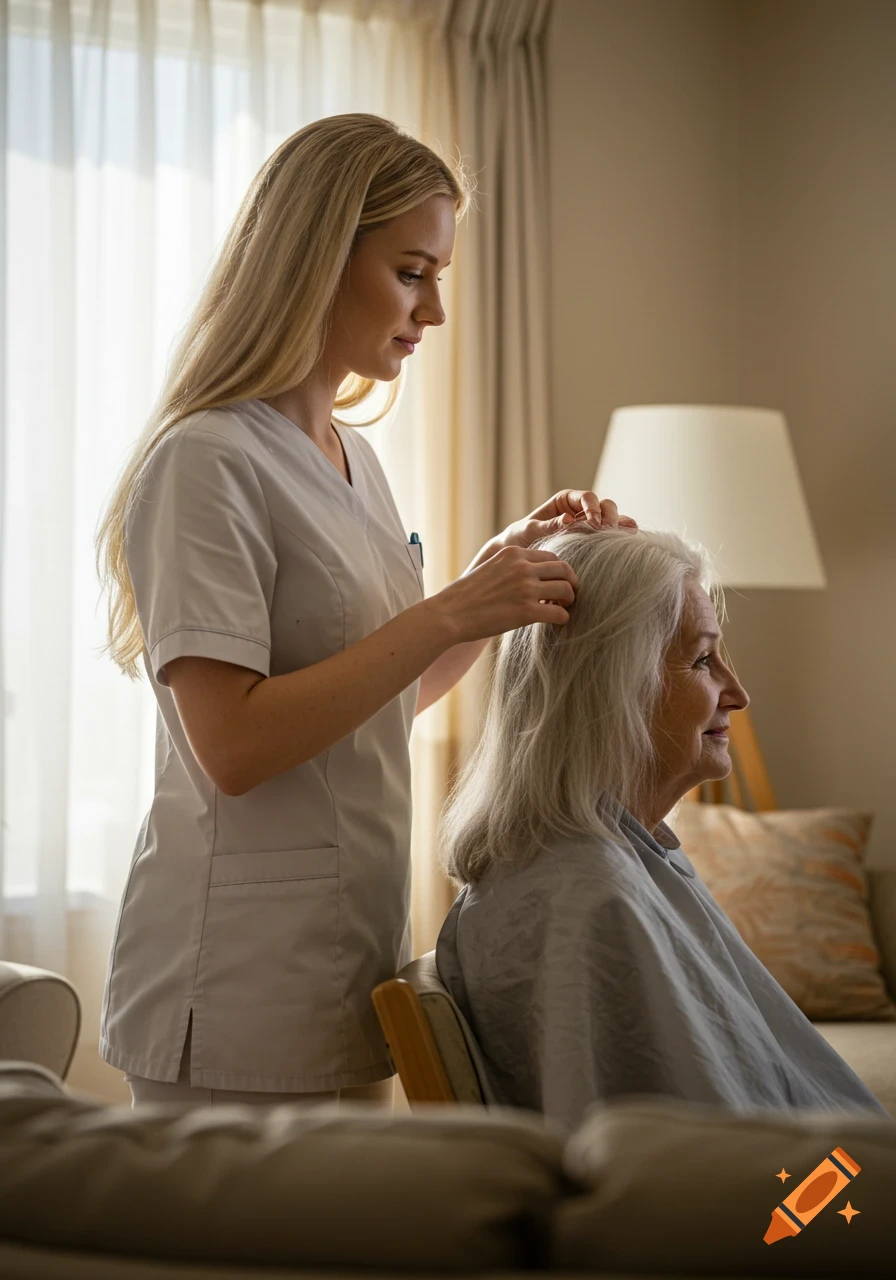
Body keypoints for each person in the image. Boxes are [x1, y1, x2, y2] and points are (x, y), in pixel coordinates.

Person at [95, 113, 630, 1109]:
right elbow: (236, 745)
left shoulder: (352, 460)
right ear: (314, 258)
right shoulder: (206, 460)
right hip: (235, 982)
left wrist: (486, 591)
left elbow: (374, 702)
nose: (430, 311)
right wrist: (444, 611)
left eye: (437, 278)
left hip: (343, 967)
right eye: (410, 271)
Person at [436, 525, 889, 1131]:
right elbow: (699, 1187)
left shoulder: (607, 866)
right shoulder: (589, 899)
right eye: (703, 660)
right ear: (615, 686)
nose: (739, 693)